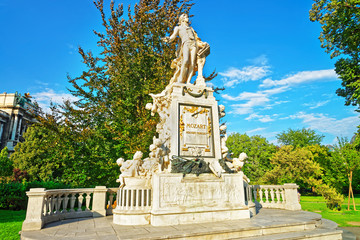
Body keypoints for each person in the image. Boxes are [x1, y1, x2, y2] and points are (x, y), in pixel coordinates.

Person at [163, 14, 198, 84]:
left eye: (187, 17)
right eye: (186, 17)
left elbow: (196, 39)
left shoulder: (191, 29)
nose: (187, 18)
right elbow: (172, 37)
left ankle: (188, 81)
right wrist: (168, 39)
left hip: (193, 44)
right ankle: (181, 80)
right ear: (182, 19)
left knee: (192, 63)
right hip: (186, 44)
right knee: (185, 61)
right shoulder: (178, 28)